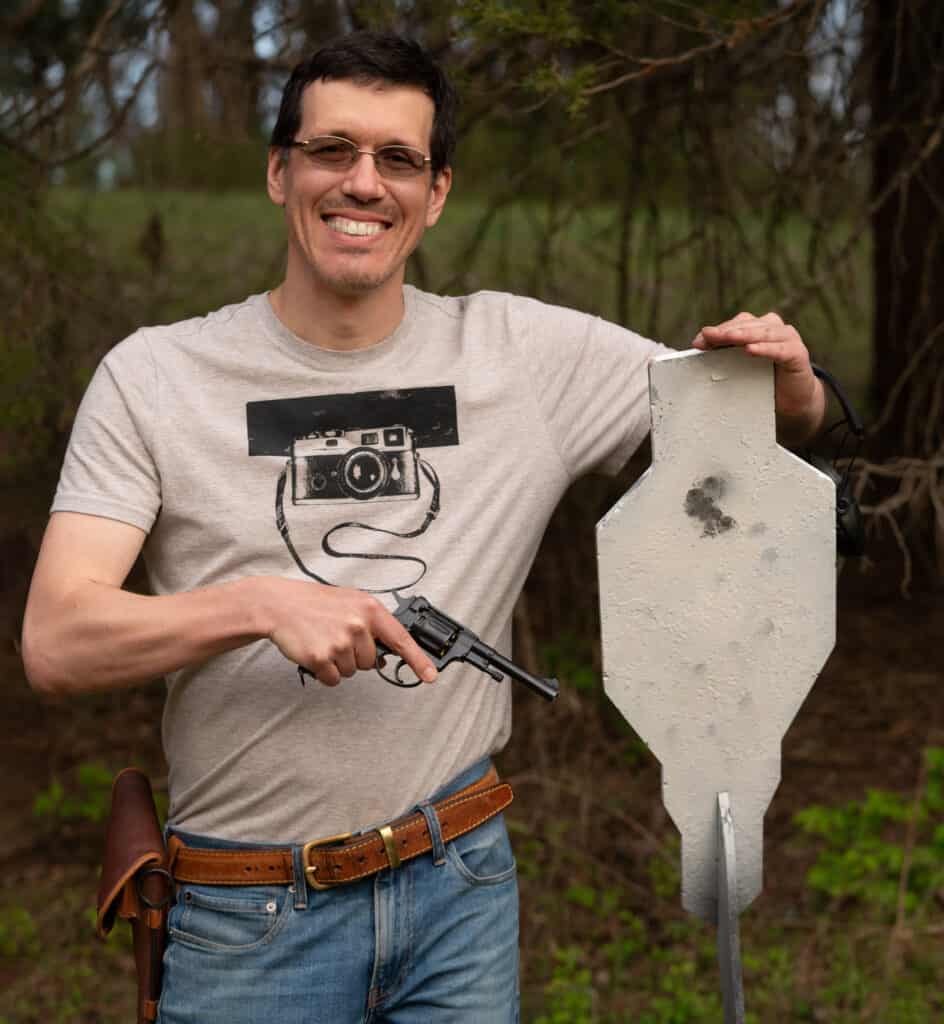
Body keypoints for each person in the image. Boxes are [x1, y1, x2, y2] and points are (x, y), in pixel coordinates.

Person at [22, 31, 825, 1024]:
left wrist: (795, 384)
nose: (363, 183)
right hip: (248, 915)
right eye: (332, 151)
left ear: (435, 192)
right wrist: (254, 603)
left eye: (396, 159)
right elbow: (57, 641)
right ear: (279, 172)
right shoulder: (153, 378)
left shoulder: (521, 354)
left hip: (459, 894)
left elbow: (749, 416)